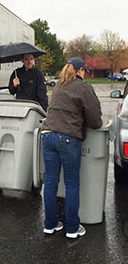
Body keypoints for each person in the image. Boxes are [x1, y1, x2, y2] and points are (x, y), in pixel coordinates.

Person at [41, 57, 102, 238]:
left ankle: (50, 224)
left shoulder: (59, 85)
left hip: (47, 136)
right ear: (81, 70)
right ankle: (73, 228)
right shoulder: (83, 87)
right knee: (72, 183)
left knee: (50, 182)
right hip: (67, 138)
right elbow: (95, 119)